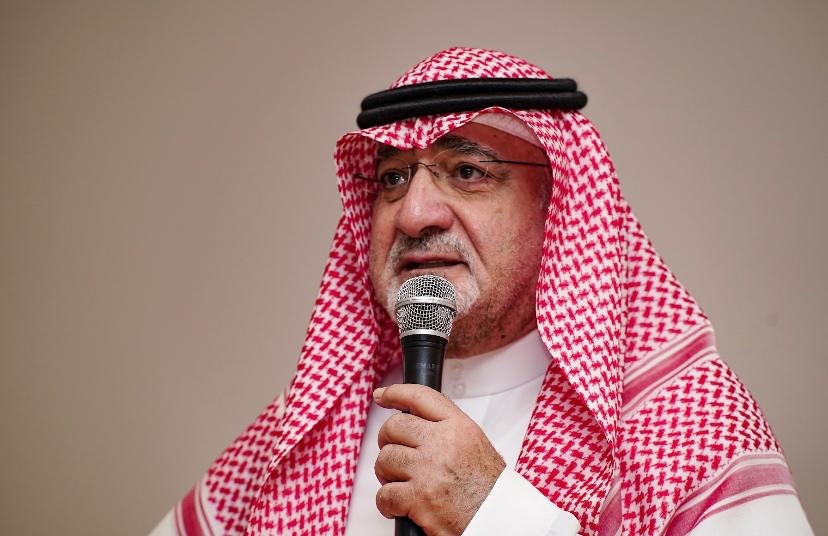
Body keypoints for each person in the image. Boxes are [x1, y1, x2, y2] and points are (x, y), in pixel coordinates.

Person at [151, 47, 813, 535]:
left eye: (467, 171)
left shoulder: (685, 429)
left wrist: (491, 513)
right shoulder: (306, 433)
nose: (414, 215)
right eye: (393, 179)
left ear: (560, 209)